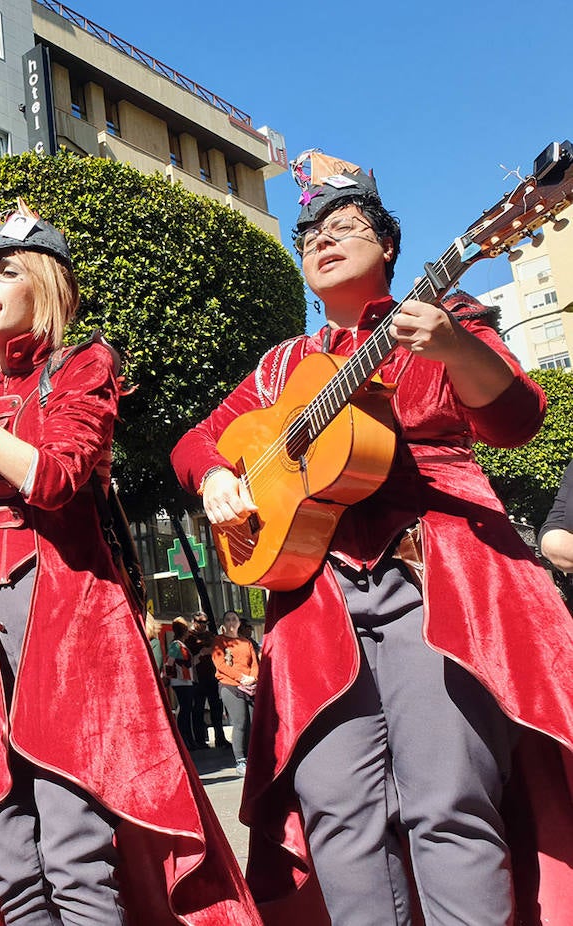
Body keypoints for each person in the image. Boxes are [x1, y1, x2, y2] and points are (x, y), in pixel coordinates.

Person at [171, 151, 573, 925]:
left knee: (447, 800)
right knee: (337, 814)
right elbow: (197, 442)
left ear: (389, 246)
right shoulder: (282, 365)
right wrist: (216, 478)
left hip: (437, 582)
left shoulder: (448, 312)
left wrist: (453, 345)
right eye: (309, 234)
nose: (322, 239)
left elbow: (517, 418)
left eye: (345, 226)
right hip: (316, 601)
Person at [0, 199, 259, 924]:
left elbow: (54, 480)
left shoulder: (85, 363)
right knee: (12, 855)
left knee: (74, 846)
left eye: (5, 272)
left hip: (73, 615)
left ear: (48, 287)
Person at [211, 611, 256, 776]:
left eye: (234, 619)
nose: (231, 622)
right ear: (224, 623)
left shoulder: (246, 642)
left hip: (248, 686)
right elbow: (221, 664)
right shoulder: (219, 641)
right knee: (240, 722)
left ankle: (252, 758)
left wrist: (253, 677)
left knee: (251, 723)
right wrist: (240, 677)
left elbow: (254, 663)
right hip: (230, 685)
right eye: (228, 619)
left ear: (239, 623)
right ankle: (240, 760)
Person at [189, 610, 226, 750]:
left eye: (205, 622)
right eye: (200, 622)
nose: (203, 625)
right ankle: (199, 739)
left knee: (216, 708)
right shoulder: (190, 637)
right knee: (198, 709)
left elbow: (219, 648)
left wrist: (210, 650)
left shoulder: (210, 635)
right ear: (194, 622)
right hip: (198, 678)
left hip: (212, 676)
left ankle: (220, 737)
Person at [163, 617, 196, 746]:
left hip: (185, 680)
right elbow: (169, 663)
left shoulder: (179, 645)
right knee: (185, 709)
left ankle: (187, 739)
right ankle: (184, 739)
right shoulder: (176, 645)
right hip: (181, 681)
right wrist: (171, 677)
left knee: (186, 709)